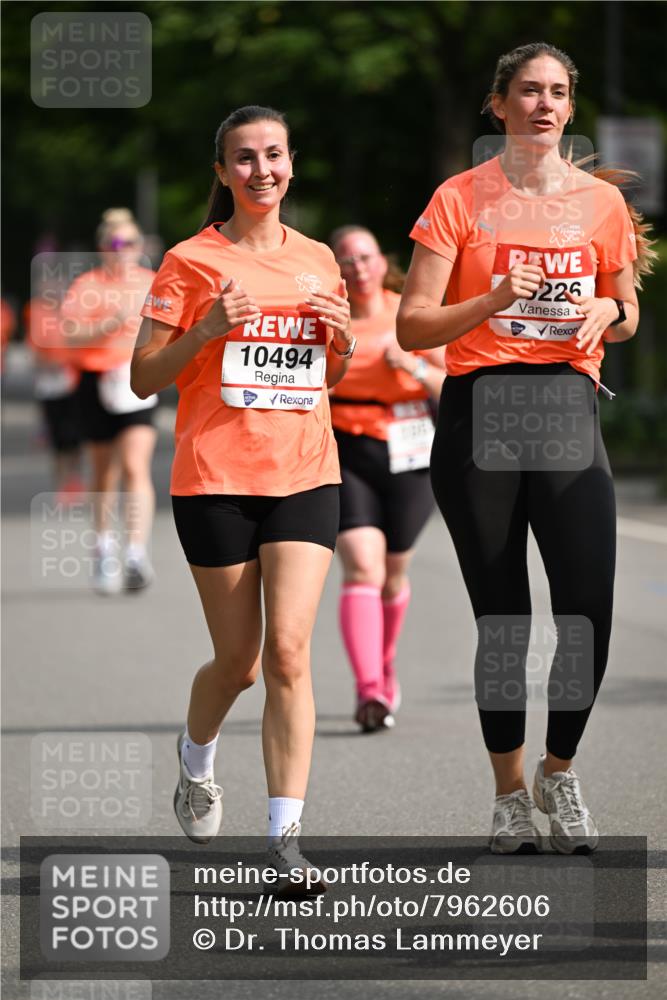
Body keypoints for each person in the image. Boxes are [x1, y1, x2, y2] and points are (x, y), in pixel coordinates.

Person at [397, 42, 655, 854]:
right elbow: (412, 325)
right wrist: (493, 297)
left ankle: (558, 769)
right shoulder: (459, 198)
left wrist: (610, 314)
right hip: (480, 412)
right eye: (528, 91)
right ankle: (509, 794)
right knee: (503, 621)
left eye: (556, 92)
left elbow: (625, 307)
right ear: (498, 104)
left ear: (570, 108)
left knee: (586, 610)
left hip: (566, 408)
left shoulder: (599, 204)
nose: (543, 104)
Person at [130, 106, 353, 887]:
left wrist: (342, 341)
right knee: (240, 664)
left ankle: (284, 842)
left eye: (274, 155)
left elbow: (326, 376)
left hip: (304, 474)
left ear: (291, 164)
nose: (263, 170)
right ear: (223, 172)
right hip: (216, 480)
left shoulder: (318, 259)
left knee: (289, 652)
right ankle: (196, 759)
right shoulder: (190, 261)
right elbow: (143, 377)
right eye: (246, 158)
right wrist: (205, 330)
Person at [329, 226, 446, 732]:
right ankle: (369, 689)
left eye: (365, 257)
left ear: (382, 262)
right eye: (346, 260)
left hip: (409, 448)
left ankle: (384, 662)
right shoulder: (327, 318)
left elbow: (454, 382)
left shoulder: (411, 315)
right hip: (344, 448)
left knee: (393, 573)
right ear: (335, 269)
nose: (357, 268)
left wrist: (414, 368)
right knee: (362, 566)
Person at [61, 209, 158, 594]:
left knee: (135, 465)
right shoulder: (88, 284)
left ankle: (135, 553)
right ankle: (104, 548)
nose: (123, 249)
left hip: (136, 381)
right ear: (103, 247)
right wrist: (111, 322)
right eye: (116, 243)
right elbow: (69, 334)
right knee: (104, 473)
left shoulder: (151, 282)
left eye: (131, 242)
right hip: (95, 380)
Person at [25, 264, 85, 502]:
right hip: (50, 385)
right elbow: (34, 350)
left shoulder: (73, 310)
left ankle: (75, 482)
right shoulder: (37, 311)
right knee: (59, 440)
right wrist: (52, 362)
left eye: (59, 284)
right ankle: (61, 484)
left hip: (75, 382)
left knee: (76, 438)